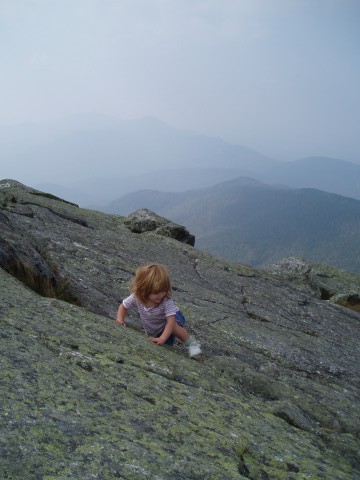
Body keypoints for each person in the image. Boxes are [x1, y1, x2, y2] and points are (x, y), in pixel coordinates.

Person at [116, 263, 202, 358]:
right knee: (165, 347)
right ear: (144, 290)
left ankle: (191, 343)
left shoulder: (166, 301)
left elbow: (171, 322)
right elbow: (123, 306)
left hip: (174, 317)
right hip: (157, 328)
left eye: (164, 290)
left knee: (172, 327)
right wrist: (120, 320)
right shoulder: (136, 297)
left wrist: (162, 338)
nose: (161, 295)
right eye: (157, 292)